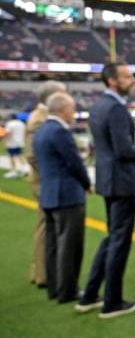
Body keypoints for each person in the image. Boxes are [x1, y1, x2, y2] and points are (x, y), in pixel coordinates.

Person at [78, 62, 135, 318]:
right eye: (127, 76)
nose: (133, 80)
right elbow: (124, 150)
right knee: (119, 242)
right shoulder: (116, 109)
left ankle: (90, 295)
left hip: (107, 179)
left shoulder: (99, 105)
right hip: (121, 182)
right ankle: (112, 302)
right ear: (112, 80)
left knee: (111, 238)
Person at [32, 92, 91, 303]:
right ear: (63, 109)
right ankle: (68, 291)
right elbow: (74, 162)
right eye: (72, 108)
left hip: (48, 194)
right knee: (69, 246)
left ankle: (55, 288)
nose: (73, 112)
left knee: (52, 245)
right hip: (67, 195)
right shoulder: (59, 131)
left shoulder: (41, 131)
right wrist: (86, 184)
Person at [23, 80, 67, 288]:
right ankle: (43, 273)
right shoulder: (39, 119)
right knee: (46, 227)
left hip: (45, 180)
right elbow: (32, 155)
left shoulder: (40, 118)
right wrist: (52, 176)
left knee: (47, 226)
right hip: (45, 181)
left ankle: (41, 271)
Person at [4, 113, 28, 178]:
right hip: (20, 142)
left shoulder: (10, 124)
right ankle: (25, 168)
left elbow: (7, 133)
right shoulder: (21, 123)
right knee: (20, 155)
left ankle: (14, 171)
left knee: (12, 156)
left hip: (12, 143)